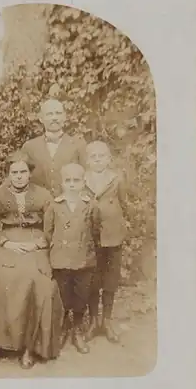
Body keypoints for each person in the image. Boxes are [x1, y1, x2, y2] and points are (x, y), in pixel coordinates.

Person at [0, 151, 64, 369]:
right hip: (7, 243)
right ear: (8, 174)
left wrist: (37, 244)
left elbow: (52, 226)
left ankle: (28, 346)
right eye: (14, 172)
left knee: (35, 279)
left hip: (35, 242)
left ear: (30, 173)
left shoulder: (44, 195)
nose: (18, 176)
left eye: (23, 172)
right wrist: (6, 242)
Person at [44, 163, 100, 354]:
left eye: (76, 180)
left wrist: (88, 250)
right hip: (61, 259)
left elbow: (95, 229)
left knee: (81, 295)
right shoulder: (55, 205)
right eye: (68, 181)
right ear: (62, 183)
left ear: (84, 182)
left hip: (83, 259)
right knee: (63, 293)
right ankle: (63, 327)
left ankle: (76, 328)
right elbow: (48, 232)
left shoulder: (90, 205)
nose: (72, 184)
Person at [84, 141, 129, 343]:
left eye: (102, 156)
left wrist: (122, 225)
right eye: (93, 156)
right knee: (93, 278)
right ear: (87, 160)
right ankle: (94, 320)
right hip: (90, 236)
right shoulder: (82, 179)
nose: (98, 159)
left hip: (112, 235)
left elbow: (124, 203)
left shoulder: (117, 179)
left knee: (110, 279)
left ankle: (107, 320)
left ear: (109, 159)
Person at [21, 98, 87, 197]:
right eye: (49, 114)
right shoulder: (29, 147)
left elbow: (88, 178)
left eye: (58, 113)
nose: (54, 118)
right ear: (41, 118)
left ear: (64, 117)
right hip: (39, 208)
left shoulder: (78, 145)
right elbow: (17, 177)